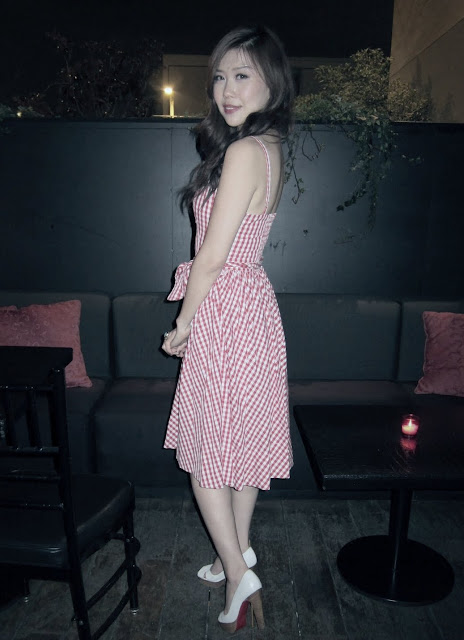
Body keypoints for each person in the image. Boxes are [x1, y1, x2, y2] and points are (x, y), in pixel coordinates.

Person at [162, 25, 294, 633]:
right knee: (239, 444)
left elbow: (211, 257)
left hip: (224, 309)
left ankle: (238, 573)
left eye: (242, 75)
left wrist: (183, 322)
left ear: (273, 82)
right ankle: (235, 552)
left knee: (206, 450)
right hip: (251, 307)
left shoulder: (243, 153)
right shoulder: (268, 147)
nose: (226, 89)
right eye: (219, 76)